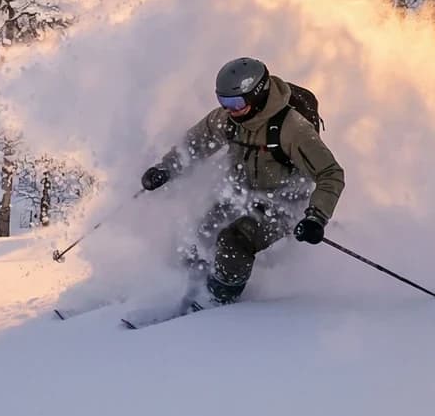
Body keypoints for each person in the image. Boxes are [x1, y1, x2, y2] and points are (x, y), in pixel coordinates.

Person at [139, 56, 345, 305]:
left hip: (282, 206)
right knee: (200, 234)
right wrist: (166, 169)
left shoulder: (293, 129)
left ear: (256, 96)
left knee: (233, 241)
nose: (229, 109)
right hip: (241, 195)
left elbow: (330, 174)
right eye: (223, 101)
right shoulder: (228, 119)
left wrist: (316, 217)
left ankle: (219, 299)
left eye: (235, 102)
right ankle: (186, 285)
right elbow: (195, 144)